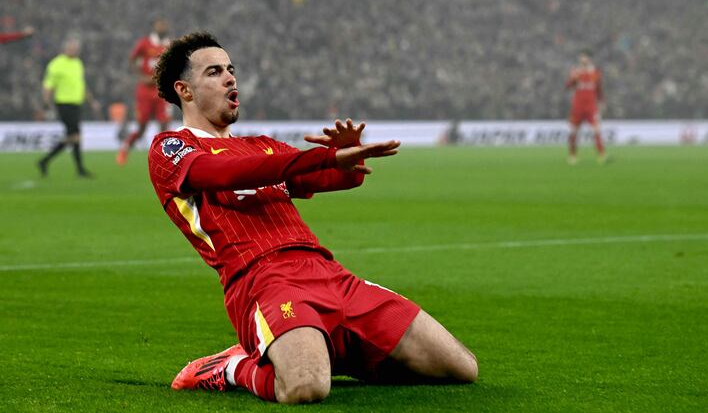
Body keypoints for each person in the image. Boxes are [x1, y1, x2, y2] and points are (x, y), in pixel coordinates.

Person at [147, 32, 477, 404]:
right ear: (185, 91)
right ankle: (229, 367)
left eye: (231, 69)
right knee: (305, 388)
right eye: (214, 72)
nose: (230, 78)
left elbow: (334, 176)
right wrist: (322, 157)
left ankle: (329, 351)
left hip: (329, 274)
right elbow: (225, 174)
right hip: (263, 281)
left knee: (461, 367)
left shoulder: (262, 145)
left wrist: (348, 157)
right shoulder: (171, 148)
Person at [38, 37, 100, 177]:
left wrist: (92, 101)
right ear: (65, 48)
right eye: (72, 48)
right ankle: (80, 170)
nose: (75, 51)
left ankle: (45, 161)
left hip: (76, 104)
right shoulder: (56, 64)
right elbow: (48, 85)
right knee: (76, 135)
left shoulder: (78, 63)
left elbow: (82, 85)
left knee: (72, 136)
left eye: (76, 48)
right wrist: (46, 102)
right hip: (63, 103)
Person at [116, 18, 172, 165]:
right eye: (159, 24)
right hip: (145, 91)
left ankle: (162, 157)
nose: (162, 26)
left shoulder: (170, 45)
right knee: (142, 127)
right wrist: (141, 76)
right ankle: (126, 147)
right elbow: (131, 59)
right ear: (154, 27)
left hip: (162, 90)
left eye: (164, 24)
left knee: (164, 124)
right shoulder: (145, 43)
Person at [565, 49, 607, 164]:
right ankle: (572, 156)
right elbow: (567, 86)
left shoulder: (595, 72)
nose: (583, 59)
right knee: (573, 132)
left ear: (589, 59)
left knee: (596, 130)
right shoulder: (576, 72)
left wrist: (602, 101)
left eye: (585, 57)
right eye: (581, 57)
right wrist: (573, 79)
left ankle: (602, 156)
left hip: (591, 107)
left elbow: (599, 89)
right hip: (577, 107)